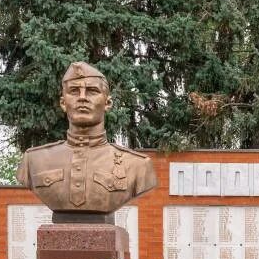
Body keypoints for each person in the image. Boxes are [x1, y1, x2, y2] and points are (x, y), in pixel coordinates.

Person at [17, 61, 156, 215]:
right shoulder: (34, 160)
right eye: (74, 91)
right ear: (63, 103)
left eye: (92, 91)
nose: (82, 98)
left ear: (107, 103)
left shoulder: (137, 166)